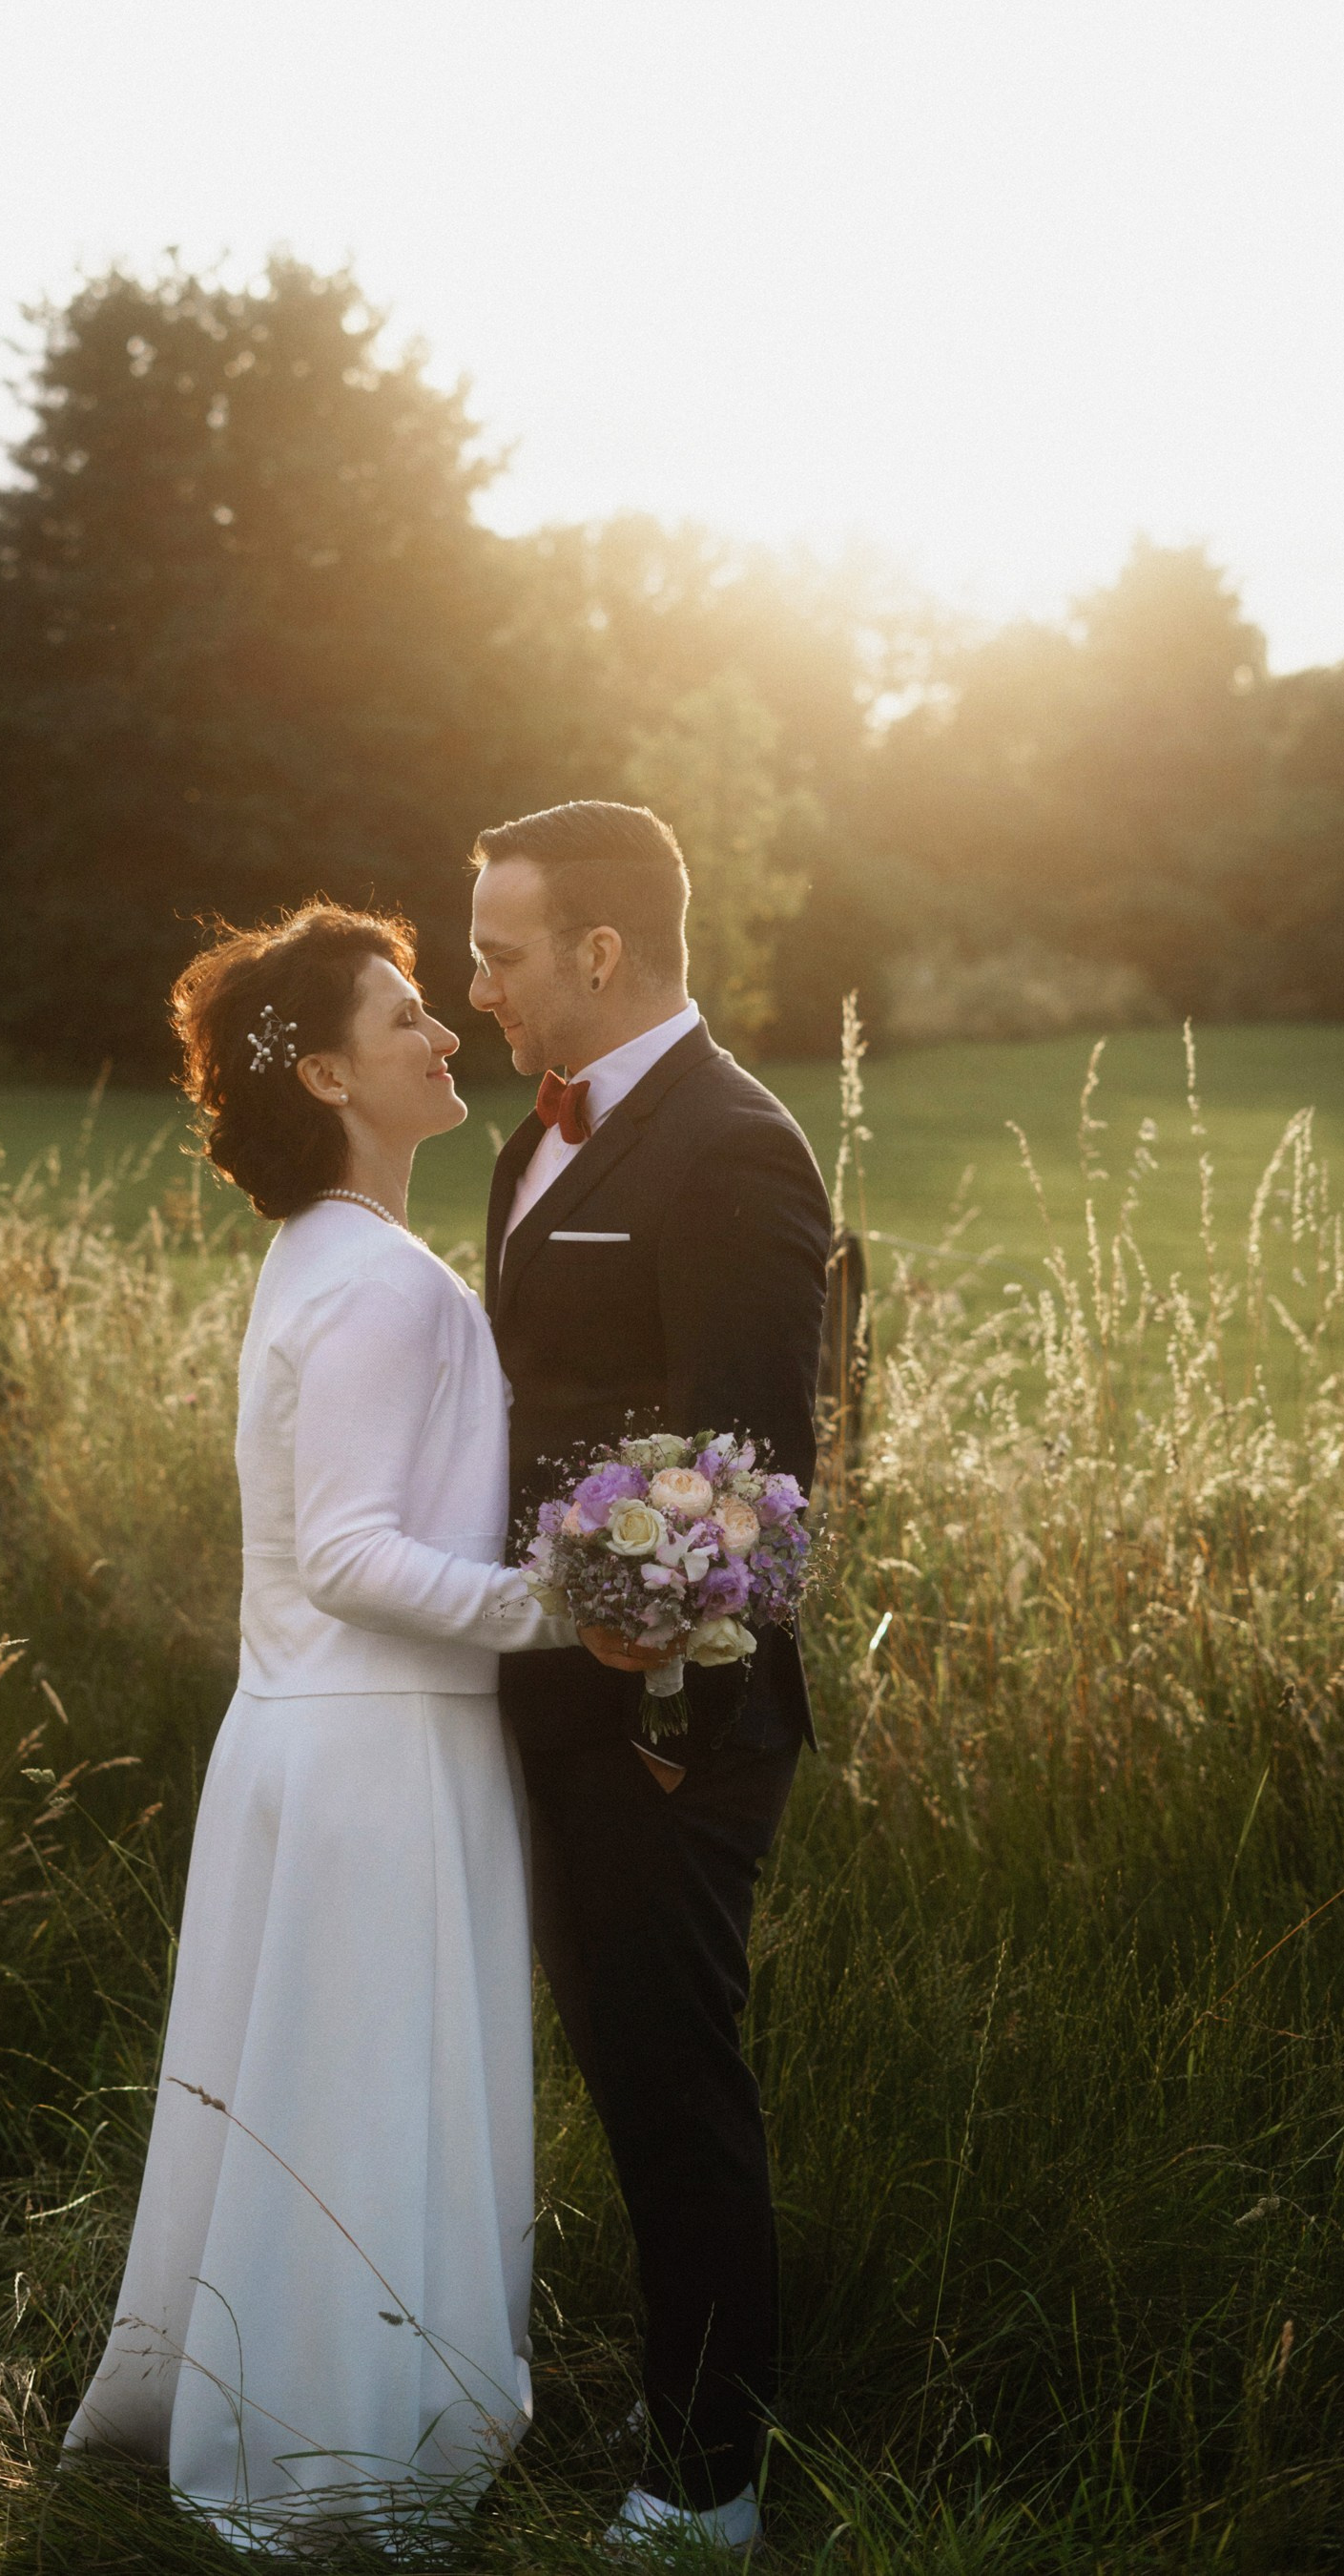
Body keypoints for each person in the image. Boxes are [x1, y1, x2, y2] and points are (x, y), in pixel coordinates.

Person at [64, 900, 575, 2556]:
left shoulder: (325, 1260)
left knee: (316, 2089)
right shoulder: (376, 1284)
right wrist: (561, 1608)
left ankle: (299, 2395)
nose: (445, 1032)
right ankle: (333, 2450)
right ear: (334, 1077)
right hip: (372, 1746)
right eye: (409, 1013)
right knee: (362, 2091)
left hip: (313, 1734)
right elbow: (352, 1555)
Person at [470, 800, 832, 2558]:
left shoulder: (731, 1146)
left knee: (670, 2079)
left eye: (500, 951)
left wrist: (639, 1665)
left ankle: (708, 2483)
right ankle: (657, 2392)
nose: (477, 987)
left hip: (669, 1722)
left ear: (599, 952)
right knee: (609, 2065)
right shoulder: (534, 1141)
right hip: (542, 1694)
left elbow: (757, 1474)